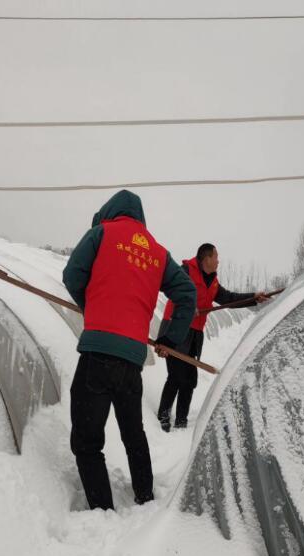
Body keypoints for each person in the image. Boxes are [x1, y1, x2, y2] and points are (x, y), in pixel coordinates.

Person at [62, 189, 196, 511]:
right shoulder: (158, 253)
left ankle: (102, 510)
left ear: (109, 212)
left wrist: (90, 309)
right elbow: (187, 294)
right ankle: (145, 496)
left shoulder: (101, 234)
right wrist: (169, 339)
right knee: (133, 433)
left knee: (87, 441)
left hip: (96, 354)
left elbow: (72, 276)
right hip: (131, 361)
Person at [156, 243, 270, 432]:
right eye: (216, 257)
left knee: (190, 377)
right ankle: (163, 414)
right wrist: (186, 305)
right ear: (206, 258)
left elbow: (229, 299)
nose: (218, 261)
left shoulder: (212, 282)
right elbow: (171, 289)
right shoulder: (185, 271)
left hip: (195, 333)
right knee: (176, 374)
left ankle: (182, 418)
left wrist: (253, 298)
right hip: (176, 327)